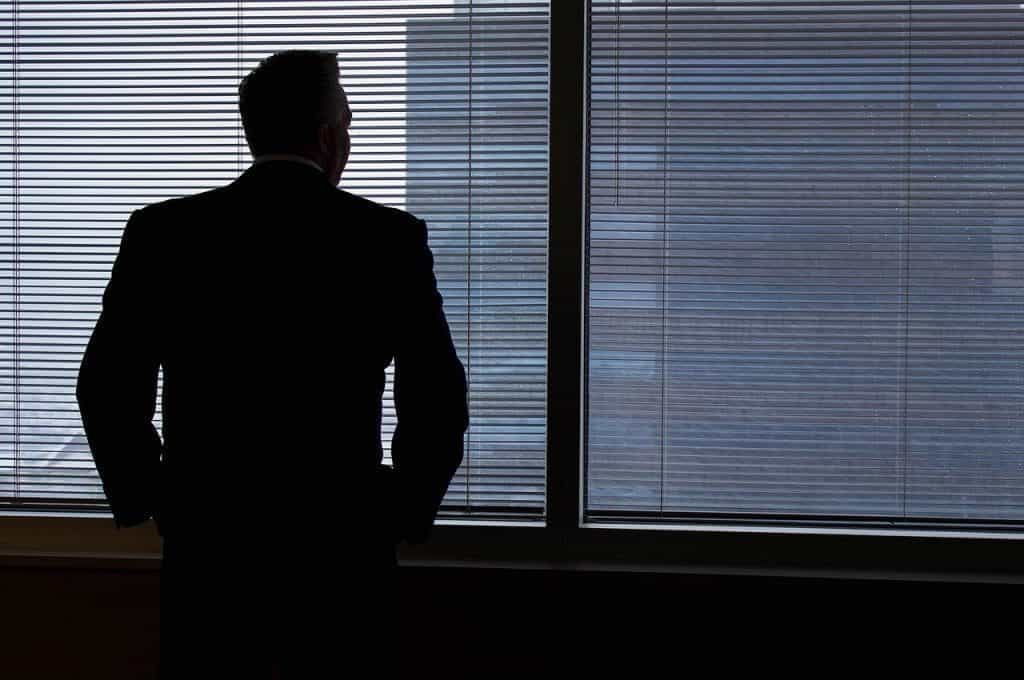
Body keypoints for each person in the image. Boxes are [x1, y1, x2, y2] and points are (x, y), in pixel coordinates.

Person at [76, 50, 469, 678]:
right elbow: (438, 398)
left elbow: (105, 387)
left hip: (210, 551)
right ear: (324, 136)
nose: (350, 137)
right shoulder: (386, 240)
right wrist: (400, 510)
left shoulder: (165, 234)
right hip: (341, 553)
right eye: (347, 122)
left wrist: (155, 497)